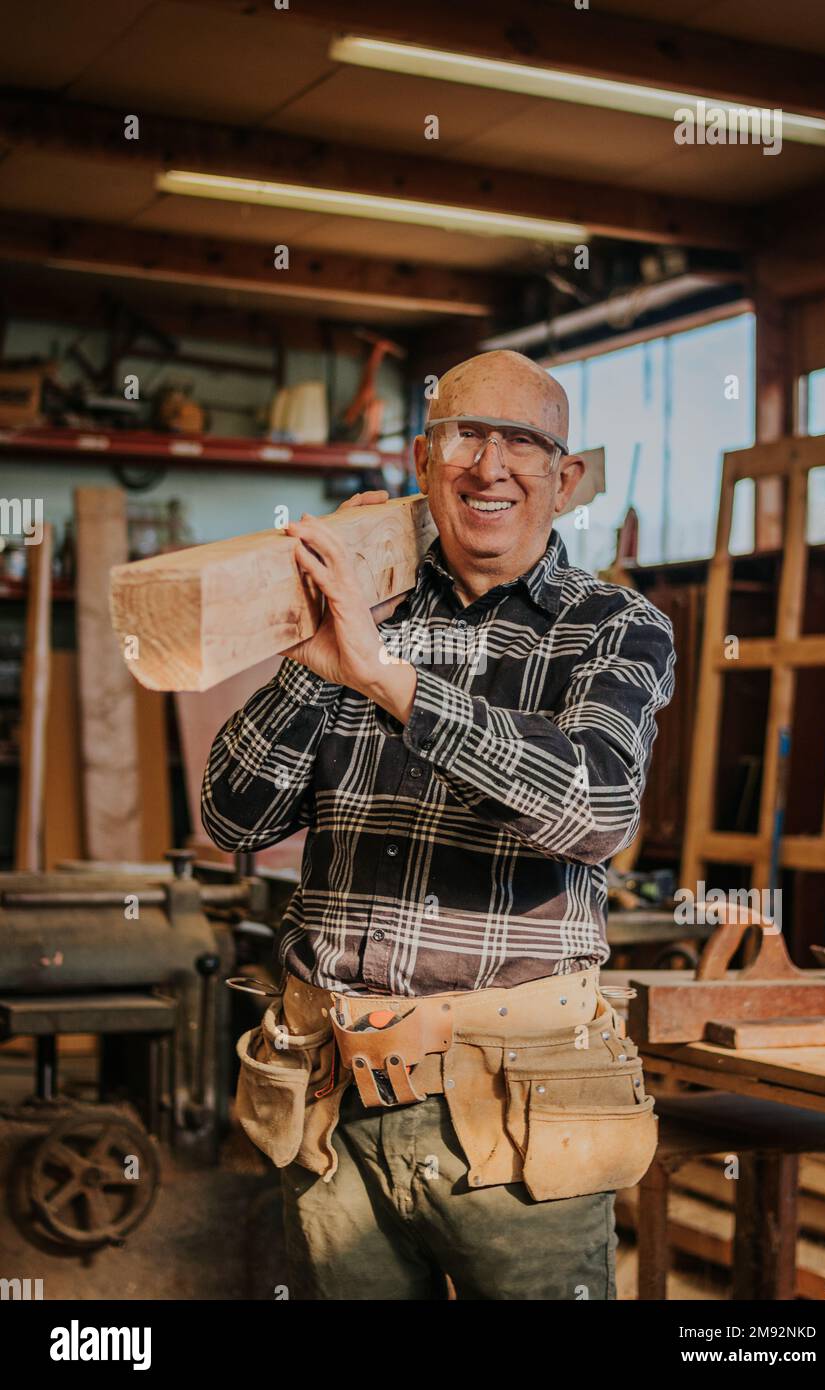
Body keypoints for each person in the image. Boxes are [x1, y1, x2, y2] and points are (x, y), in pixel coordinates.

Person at [202, 349, 675, 1300]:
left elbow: (596, 809)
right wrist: (316, 662)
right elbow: (229, 814)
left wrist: (393, 684)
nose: (488, 465)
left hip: (519, 1114)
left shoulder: (614, 627)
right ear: (424, 461)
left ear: (565, 478)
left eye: (523, 442)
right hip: (334, 1104)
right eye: (464, 435)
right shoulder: (357, 614)